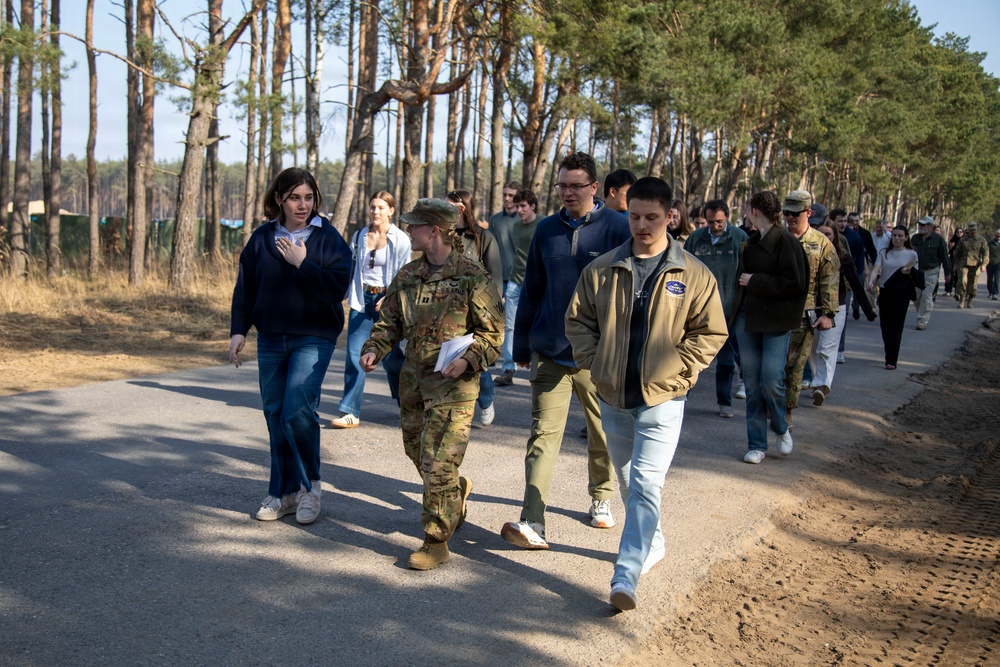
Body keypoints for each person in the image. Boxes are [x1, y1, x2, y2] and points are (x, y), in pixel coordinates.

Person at [565, 176, 727, 611]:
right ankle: (653, 542)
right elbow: (578, 321)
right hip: (613, 397)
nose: (642, 226)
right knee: (627, 481)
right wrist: (595, 363)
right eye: (634, 216)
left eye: (652, 218)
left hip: (664, 400)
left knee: (645, 484)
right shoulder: (601, 269)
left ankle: (626, 573)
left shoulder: (693, 273)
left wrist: (680, 374)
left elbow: (710, 332)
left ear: (670, 216)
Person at [359, 199, 503, 570]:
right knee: (417, 452)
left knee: (438, 462)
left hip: (455, 387)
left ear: (434, 231)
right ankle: (454, 493)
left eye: (414, 226)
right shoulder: (408, 276)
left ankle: (436, 541)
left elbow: (493, 335)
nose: (408, 231)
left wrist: (468, 359)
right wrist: (375, 348)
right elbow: (389, 322)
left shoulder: (473, 277)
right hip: (414, 384)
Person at [500, 151, 631, 550]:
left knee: (602, 434)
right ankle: (533, 520)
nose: (568, 193)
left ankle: (601, 497)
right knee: (542, 437)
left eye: (576, 186)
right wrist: (521, 343)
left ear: (595, 188)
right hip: (550, 352)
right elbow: (532, 290)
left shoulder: (618, 228)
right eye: (562, 186)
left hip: (599, 357)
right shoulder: (545, 230)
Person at [229, 168, 352, 524]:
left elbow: (336, 290)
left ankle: (310, 488)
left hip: (313, 336)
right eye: (295, 197)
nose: (303, 205)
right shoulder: (262, 238)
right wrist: (240, 329)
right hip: (270, 338)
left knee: (297, 409)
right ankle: (283, 493)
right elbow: (246, 288)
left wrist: (302, 264)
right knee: (274, 412)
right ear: (280, 199)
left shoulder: (328, 239)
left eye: (309, 197)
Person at [733, 191, 808, 464]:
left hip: (776, 321)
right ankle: (756, 444)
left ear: (754, 210)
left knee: (771, 380)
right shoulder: (751, 242)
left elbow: (795, 282)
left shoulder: (786, 241)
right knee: (752, 384)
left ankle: (780, 427)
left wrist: (756, 281)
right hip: (748, 319)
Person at [330, 191, 411, 429]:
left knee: (393, 358)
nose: (376, 212)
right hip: (361, 300)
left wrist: (390, 297)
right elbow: (351, 268)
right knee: (355, 354)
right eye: (373, 207)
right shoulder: (359, 235)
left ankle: (406, 404)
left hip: (387, 301)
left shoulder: (401, 240)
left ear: (391, 211)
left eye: (381, 207)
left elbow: (405, 275)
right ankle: (350, 411)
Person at [781, 190, 839, 428]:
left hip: (804, 316)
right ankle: (770, 406)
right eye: (787, 213)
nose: (791, 218)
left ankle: (786, 413)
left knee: (795, 367)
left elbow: (830, 280)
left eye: (796, 213)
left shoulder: (821, 244)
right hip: (774, 312)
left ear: (808, 213)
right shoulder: (777, 238)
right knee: (773, 367)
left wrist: (828, 314)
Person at [685, 198, 748, 418]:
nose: (715, 226)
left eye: (719, 222)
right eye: (711, 222)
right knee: (690, 357)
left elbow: (748, 271)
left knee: (726, 361)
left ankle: (725, 402)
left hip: (728, 310)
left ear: (727, 218)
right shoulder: (695, 238)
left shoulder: (740, 239)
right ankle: (681, 400)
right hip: (698, 311)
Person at [445, 189, 503, 426]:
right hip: (447, 313)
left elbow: (495, 277)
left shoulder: (482, 237)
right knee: (449, 362)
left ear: (463, 208)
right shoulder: (441, 235)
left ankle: (486, 398)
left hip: (476, 313)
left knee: (476, 362)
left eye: (451, 206)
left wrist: (491, 312)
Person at [808, 221, 876, 405]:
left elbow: (856, 284)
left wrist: (868, 311)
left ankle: (822, 385)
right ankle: (817, 380)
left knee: (826, 348)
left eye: (828, 234)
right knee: (813, 349)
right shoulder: (808, 255)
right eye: (820, 233)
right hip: (812, 307)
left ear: (835, 237)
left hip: (836, 308)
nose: (824, 237)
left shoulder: (842, 258)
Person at [494, 188, 540, 388]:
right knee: (510, 325)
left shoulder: (543, 225)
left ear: (533, 206)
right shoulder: (516, 227)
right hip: (515, 280)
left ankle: (538, 367)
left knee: (536, 324)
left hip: (536, 281)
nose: (519, 210)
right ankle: (508, 369)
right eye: (517, 206)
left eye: (523, 206)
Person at [867, 226, 919, 370]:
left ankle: (892, 359)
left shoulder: (912, 254)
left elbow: (916, 275)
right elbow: (876, 269)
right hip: (886, 291)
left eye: (900, 236)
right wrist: (871, 282)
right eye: (894, 235)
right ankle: (888, 352)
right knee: (885, 326)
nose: (897, 238)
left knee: (897, 326)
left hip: (902, 293)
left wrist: (908, 273)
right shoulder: (884, 252)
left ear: (906, 238)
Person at [910, 216, 950, 329]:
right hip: (917, 272)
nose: (921, 227)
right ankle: (921, 313)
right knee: (916, 297)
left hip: (931, 271)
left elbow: (944, 257)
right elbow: (909, 254)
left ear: (930, 227)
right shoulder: (915, 239)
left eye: (924, 225)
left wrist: (948, 273)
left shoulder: (938, 239)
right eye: (920, 225)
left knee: (926, 296)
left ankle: (922, 321)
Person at [489, 180, 523, 292]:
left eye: (511, 195)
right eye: (504, 195)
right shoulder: (494, 220)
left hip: (518, 279)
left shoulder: (524, 220)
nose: (507, 198)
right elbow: (489, 248)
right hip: (498, 277)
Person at [953, 223, 988, 308]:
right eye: (971, 229)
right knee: (962, 281)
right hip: (963, 263)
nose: (972, 231)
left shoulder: (981, 240)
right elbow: (957, 254)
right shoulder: (963, 240)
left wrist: (984, 264)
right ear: (968, 230)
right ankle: (961, 300)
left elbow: (986, 253)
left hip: (975, 265)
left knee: (973, 285)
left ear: (976, 230)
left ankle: (970, 301)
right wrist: (955, 265)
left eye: (974, 229)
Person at [944, 228, 964, 296]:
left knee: (959, 276)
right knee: (951, 275)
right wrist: (950, 247)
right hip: (953, 259)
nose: (959, 233)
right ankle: (948, 290)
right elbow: (949, 251)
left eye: (961, 232)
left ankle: (957, 291)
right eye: (958, 232)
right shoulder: (952, 240)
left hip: (961, 260)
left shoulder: (964, 241)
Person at [987, 229, 1000, 300]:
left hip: (999, 263)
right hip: (990, 263)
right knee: (990, 279)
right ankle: (990, 292)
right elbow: (986, 251)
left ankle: (995, 293)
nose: (998, 237)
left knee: (997, 278)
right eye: (997, 236)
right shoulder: (990, 243)